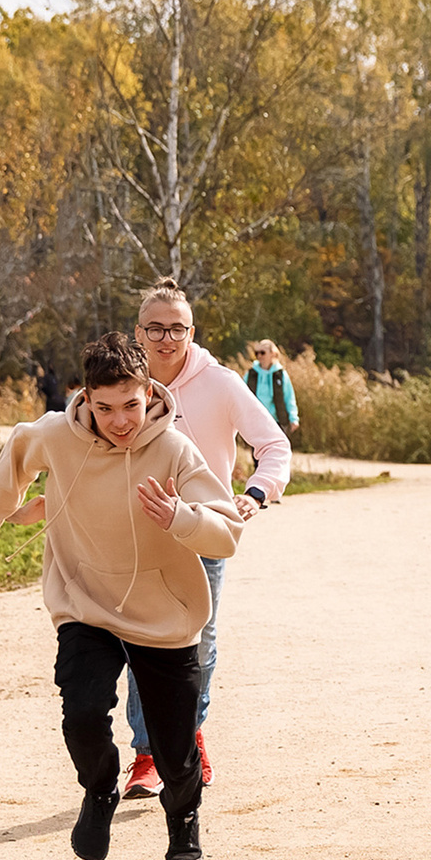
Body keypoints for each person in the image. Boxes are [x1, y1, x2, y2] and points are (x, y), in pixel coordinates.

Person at [0, 332, 243, 860]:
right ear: (85, 397)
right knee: (81, 713)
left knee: (173, 745)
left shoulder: (174, 449)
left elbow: (226, 534)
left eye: (130, 405)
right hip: (85, 602)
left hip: (164, 616)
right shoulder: (54, 435)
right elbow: (9, 475)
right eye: (105, 408)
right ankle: (101, 788)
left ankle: (183, 819)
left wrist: (180, 518)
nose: (120, 421)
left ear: (148, 392)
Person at [116, 279, 290, 800]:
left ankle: (189, 736)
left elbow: (274, 445)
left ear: (191, 333)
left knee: (199, 643)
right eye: (155, 329)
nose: (166, 339)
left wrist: (255, 494)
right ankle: (148, 754)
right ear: (139, 333)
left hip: (204, 530)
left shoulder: (221, 383)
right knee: (141, 641)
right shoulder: (125, 384)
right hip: (138, 532)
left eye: (177, 329)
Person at [245, 340, 299, 442]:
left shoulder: (281, 374)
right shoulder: (251, 374)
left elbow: (289, 397)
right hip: (256, 421)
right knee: (258, 451)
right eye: (256, 353)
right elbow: (242, 395)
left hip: (276, 422)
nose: (259, 356)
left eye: (262, 352)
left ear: (272, 353)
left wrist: (293, 418)